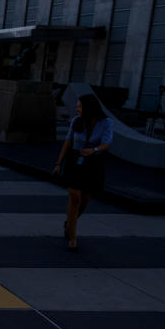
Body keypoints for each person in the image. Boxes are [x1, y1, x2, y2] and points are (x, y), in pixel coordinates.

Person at [52, 93, 113, 251]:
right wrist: (59, 163)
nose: (77, 109)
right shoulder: (76, 121)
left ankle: (69, 223)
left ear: (89, 108)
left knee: (85, 199)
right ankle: (73, 237)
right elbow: (68, 141)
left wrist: (93, 150)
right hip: (74, 161)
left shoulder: (106, 123)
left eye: (80, 106)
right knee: (75, 198)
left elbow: (106, 144)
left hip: (92, 163)